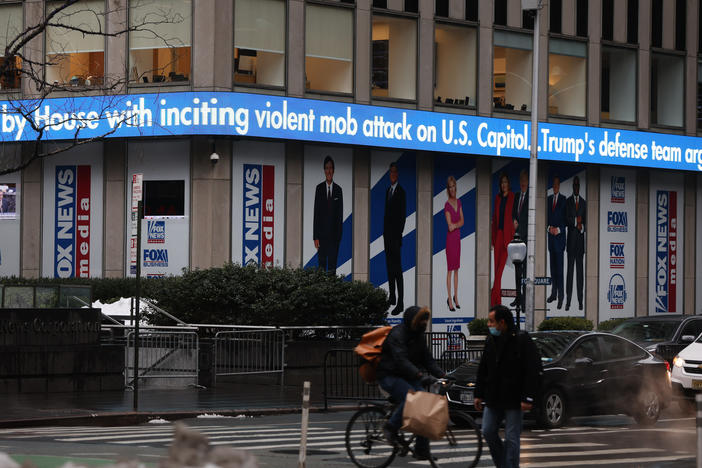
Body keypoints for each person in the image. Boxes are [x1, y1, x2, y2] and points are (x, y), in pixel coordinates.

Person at [474, 305, 541, 468]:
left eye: (491, 321)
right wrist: (478, 393)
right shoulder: (491, 341)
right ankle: (503, 464)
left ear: (502, 322)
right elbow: (483, 368)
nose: (488, 325)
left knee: (512, 437)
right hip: (493, 396)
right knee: (488, 431)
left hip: (514, 398)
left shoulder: (521, 339)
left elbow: (534, 370)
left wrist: (528, 397)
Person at [376, 306, 446, 461]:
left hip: (408, 376)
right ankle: (390, 427)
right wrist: (419, 374)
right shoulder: (398, 334)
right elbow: (401, 360)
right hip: (389, 375)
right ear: (413, 320)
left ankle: (421, 450)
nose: (424, 323)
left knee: (424, 407)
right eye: (421, 319)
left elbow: (428, 360)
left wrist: (443, 375)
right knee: (412, 398)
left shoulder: (419, 336)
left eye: (425, 320)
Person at [313, 155, 343, 274]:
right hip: (321, 237)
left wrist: (338, 237)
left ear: (333, 170)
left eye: (330, 168)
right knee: (321, 269)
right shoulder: (319, 188)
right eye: (326, 168)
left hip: (334, 238)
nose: (329, 170)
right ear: (324, 170)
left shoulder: (338, 190)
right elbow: (316, 214)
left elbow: (340, 215)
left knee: (332, 270)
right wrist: (315, 236)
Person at [383, 162, 407, 316]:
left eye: (394, 172)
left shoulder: (401, 192)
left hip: (395, 237)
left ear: (397, 174)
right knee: (390, 268)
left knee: (397, 270)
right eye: (390, 172)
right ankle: (392, 297)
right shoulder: (387, 191)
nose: (392, 174)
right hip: (387, 236)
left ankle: (400, 301)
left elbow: (402, 216)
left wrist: (398, 235)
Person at [491, 172, 515, 307]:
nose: (503, 184)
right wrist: (492, 240)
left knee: (499, 272)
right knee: (496, 271)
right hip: (498, 235)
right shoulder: (497, 198)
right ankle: (496, 302)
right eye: (502, 182)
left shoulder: (512, 196)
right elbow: (495, 219)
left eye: (505, 182)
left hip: (507, 237)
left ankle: (494, 301)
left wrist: (511, 237)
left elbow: (512, 217)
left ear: (508, 184)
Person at [565, 176, 586, 311]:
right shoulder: (567, 202)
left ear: (580, 187)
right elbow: (566, 218)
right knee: (570, 273)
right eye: (575, 185)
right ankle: (568, 301)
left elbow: (586, 221)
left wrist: (581, 226)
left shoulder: (584, 202)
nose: (576, 187)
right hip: (571, 243)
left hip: (580, 245)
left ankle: (580, 301)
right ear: (573, 186)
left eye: (578, 185)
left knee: (580, 275)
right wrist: (575, 222)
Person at [546, 175, 566, 309]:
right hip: (551, 240)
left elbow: (566, 220)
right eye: (553, 185)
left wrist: (557, 229)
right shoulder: (548, 200)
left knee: (559, 270)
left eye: (557, 185)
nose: (555, 187)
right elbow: (546, 218)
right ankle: (553, 293)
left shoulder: (564, 200)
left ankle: (561, 296)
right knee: (553, 270)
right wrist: (549, 228)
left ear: (559, 186)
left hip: (559, 240)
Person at [444, 176, 464, 311]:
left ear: (455, 187)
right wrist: (457, 224)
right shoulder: (447, 205)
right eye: (450, 187)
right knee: (450, 270)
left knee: (457, 269)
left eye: (453, 186)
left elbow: (463, 221)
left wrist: (456, 224)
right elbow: (450, 226)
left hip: (457, 239)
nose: (452, 189)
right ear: (448, 189)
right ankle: (449, 299)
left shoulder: (459, 202)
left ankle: (456, 297)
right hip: (450, 240)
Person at [511, 170, 529, 308]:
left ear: (528, 182)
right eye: (521, 180)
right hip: (517, 239)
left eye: (525, 180)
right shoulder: (517, 196)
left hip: (527, 239)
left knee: (526, 271)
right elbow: (513, 213)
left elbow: (530, 216)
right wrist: (514, 220)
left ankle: (525, 300)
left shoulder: (531, 196)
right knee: (518, 270)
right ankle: (518, 297)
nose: (523, 183)